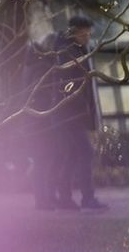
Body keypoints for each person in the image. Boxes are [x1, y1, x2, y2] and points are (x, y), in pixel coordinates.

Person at [33, 15, 107, 212]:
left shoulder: (77, 50)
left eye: (89, 33)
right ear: (74, 31)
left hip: (71, 114)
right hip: (68, 114)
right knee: (81, 153)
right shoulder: (66, 52)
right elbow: (69, 85)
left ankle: (66, 198)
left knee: (71, 154)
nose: (88, 36)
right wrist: (77, 109)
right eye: (85, 32)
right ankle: (84, 199)